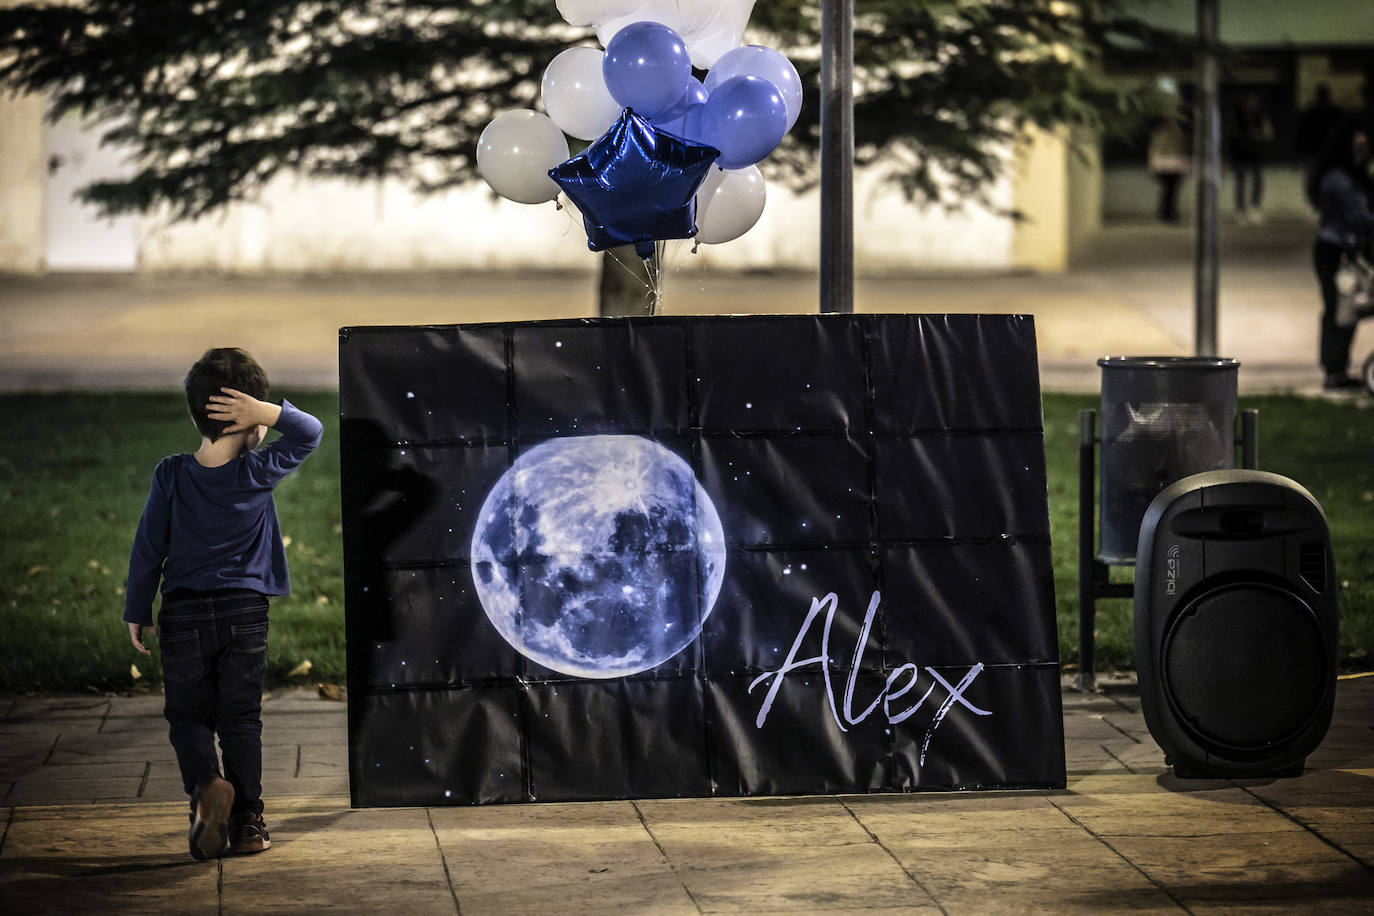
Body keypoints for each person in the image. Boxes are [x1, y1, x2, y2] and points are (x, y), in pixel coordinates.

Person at [123, 348, 323, 859]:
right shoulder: (257, 470)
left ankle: (206, 785)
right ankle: (250, 822)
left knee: (188, 715)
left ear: (194, 417)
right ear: (251, 421)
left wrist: (137, 609)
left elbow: (149, 548)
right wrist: (269, 412)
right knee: (240, 718)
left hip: (184, 613)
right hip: (245, 614)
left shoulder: (170, 475)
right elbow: (311, 431)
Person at [1306, 119, 1374, 390]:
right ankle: (1334, 372)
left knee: (1347, 311)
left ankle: (1338, 370)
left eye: (1364, 149)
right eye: (1356, 149)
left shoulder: (1354, 177)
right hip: (1334, 253)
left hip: (1349, 252)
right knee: (1339, 311)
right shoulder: (1338, 179)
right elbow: (1359, 218)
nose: (1361, 154)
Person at [1228, 92, 1274, 223]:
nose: (1253, 106)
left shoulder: (1260, 117)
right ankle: (1240, 210)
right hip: (1240, 154)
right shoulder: (1237, 117)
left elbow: (1268, 134)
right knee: (1240, 182)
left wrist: (1259, 136)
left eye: (1255, 103)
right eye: (1251, 103)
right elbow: (1232, 135)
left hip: (1255, 154)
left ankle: (1254, 208)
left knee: (1258, 180)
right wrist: (1248, 135)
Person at [1148, 117, 1190, 223]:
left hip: (1171, 166)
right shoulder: (1167, 134)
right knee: (1170, 191)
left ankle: (1168, 213)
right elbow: (1157, 149)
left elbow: (1181, 150)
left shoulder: (1165, 134)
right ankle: (1168, 213)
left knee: (1170, 191)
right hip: (1169, 166)